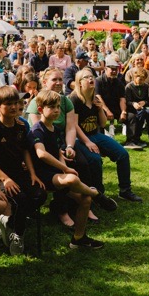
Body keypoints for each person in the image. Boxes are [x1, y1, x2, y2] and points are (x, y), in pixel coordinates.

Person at [30, 89, 115, 249]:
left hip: (56, 174)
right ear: (40, 110)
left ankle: (78, 238)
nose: (56, 111)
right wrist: (65, 169)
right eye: (52, 107)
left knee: (85, 199)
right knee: (73, 179)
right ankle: (96, 194)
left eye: (58, 107)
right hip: (43, 176)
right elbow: (41, 154)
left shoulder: (54, 130)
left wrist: (64, 168)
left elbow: (57, 152)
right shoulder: (37, 130)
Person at [0, 86, 47, 255]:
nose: (14, 107)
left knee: (40, 194)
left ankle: (10, 223)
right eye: (8, 104)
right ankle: (18, 235)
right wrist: (5, 179)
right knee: (20, 198)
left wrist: (33, 174)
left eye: (16, 103)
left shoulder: (22, 125)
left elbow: (26, 151)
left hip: (20, 173)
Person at [70, 69, 141, 203]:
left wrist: (99, 109)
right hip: (80, 138)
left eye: (92, 76)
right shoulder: (74, 99)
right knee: (95, 160)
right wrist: (88, 142)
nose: (91, 79)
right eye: (86, 77)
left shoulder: (95, 98)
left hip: (95, 134)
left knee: (123, 154)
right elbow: (74, 125)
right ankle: (98, 194)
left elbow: (102, 124)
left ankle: (125, 190)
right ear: (79, 83)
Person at [124, 67, 149, 150]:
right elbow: (127, 101)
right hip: (132, 107)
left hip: (144, 106)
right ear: (134, 77)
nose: (140, 80)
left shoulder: (146, 86)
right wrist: (133, 103)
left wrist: (145, 102)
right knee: (139, 114)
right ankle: (136, 138)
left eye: (142, 79)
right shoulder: (129, 87)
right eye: (138, 78)